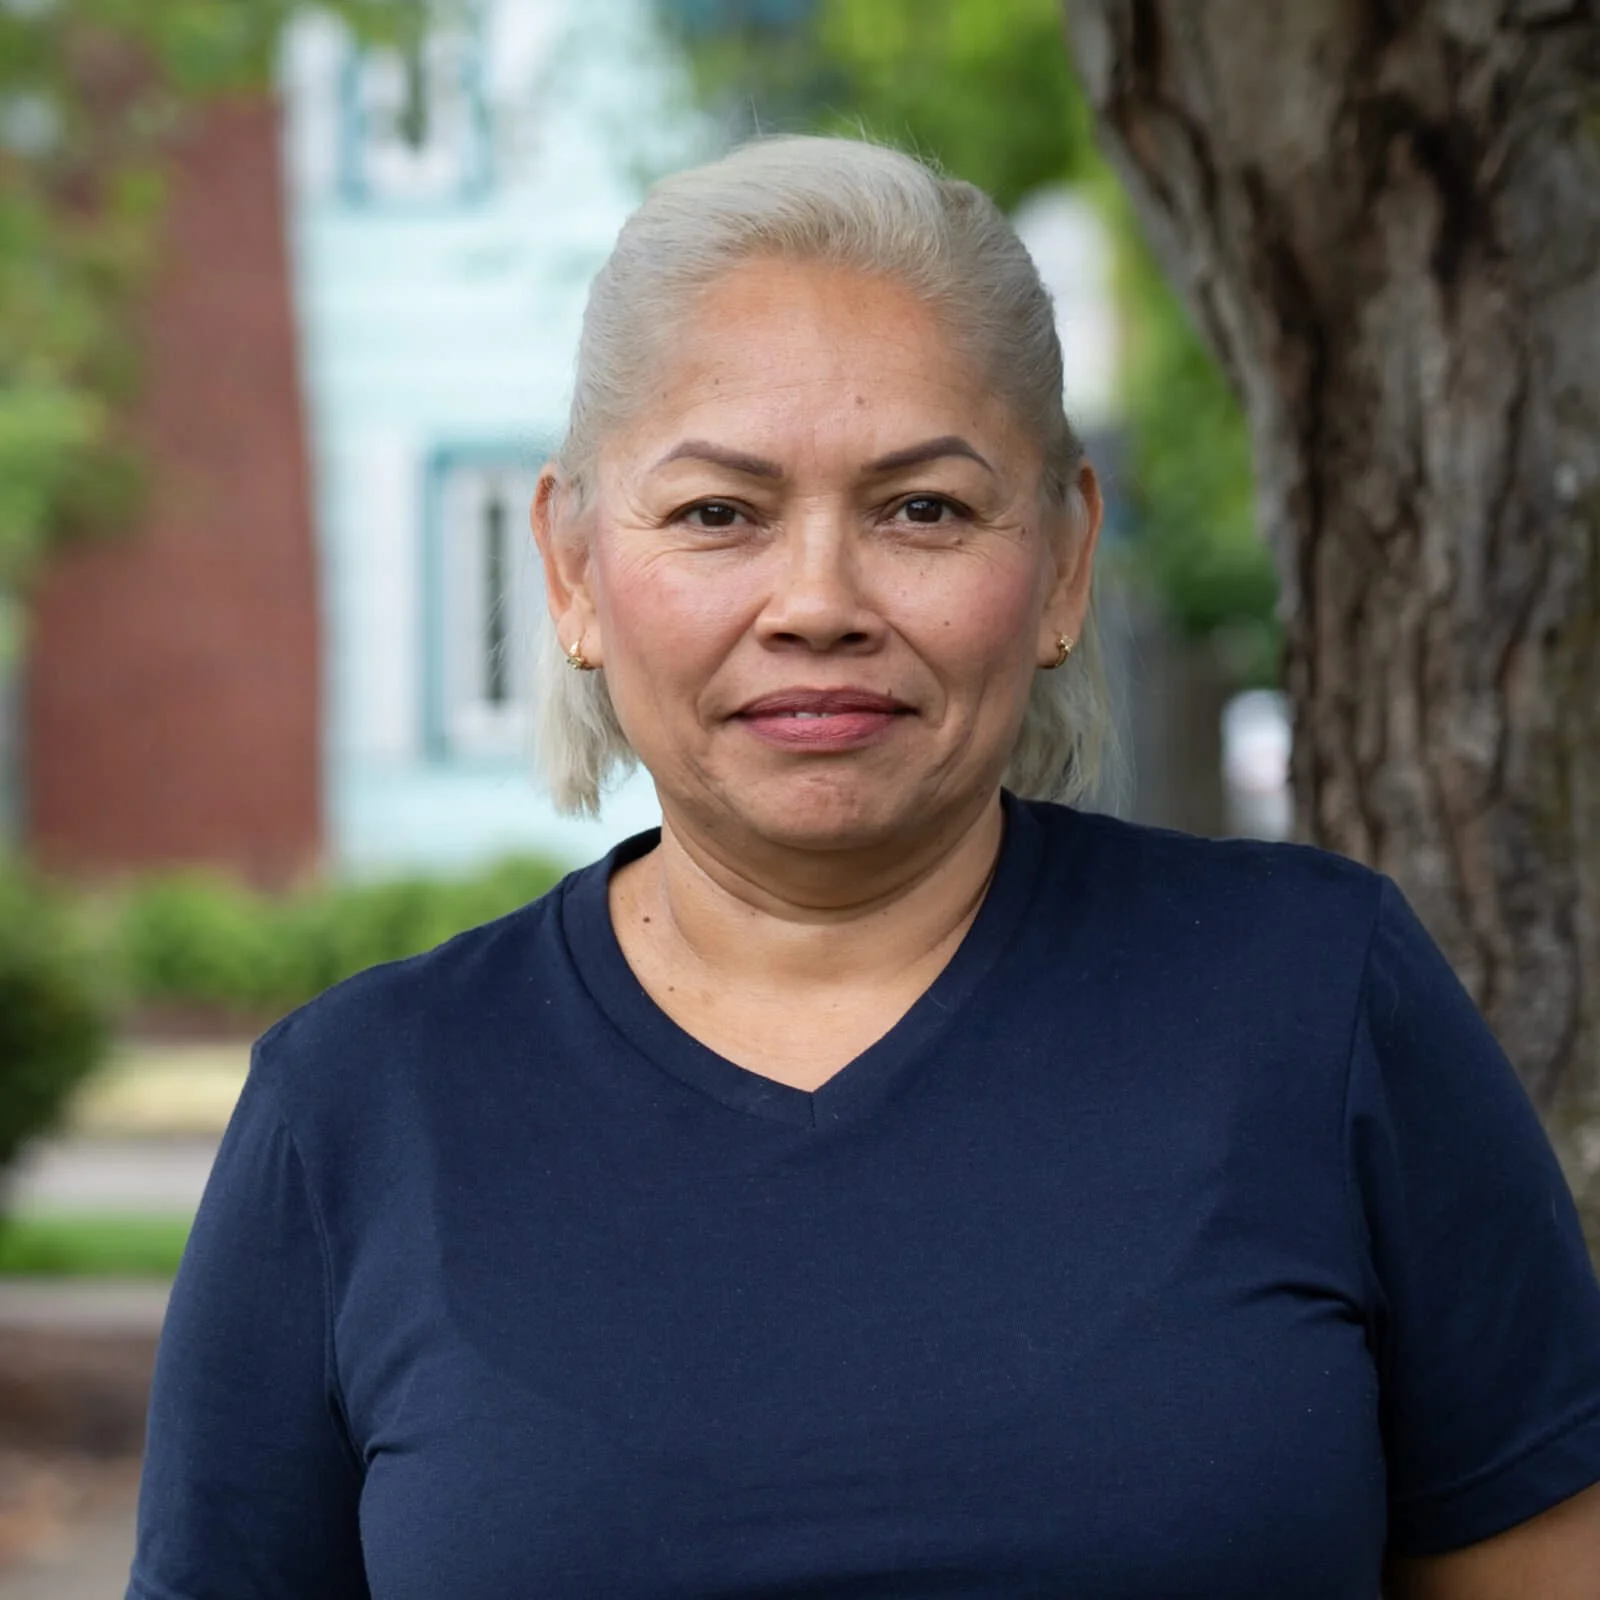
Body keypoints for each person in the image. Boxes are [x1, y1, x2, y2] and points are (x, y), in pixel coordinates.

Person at [128, 136, 1600, 1599]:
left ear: (1066, 560)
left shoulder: (1314, 1002)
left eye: (923, 510)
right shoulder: (355, 1112)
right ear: (574, 568)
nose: (819, 601)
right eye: (720, 512)